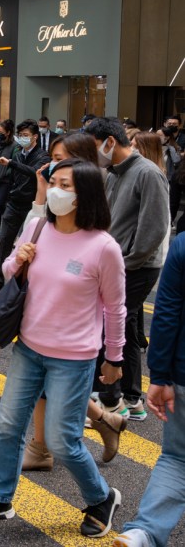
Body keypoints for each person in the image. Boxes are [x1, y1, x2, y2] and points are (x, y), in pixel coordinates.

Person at [0, 159, 126, 539]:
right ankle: (0, 499)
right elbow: (8, 269)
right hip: (29, 347)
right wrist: (17, 261)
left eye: (64, 185)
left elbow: (116, 308)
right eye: (53, 182)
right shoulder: (38, 227)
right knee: (9, 427)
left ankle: (101, 497)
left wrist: (114, 358)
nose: (54, 190)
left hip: (74, 358)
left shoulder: (104, 247)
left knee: (61, 441)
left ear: (84, 194)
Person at [83, 117, 169, 422]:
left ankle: (111, 396)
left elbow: (154, 229)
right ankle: (131, 397)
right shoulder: (112, 174)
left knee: (113, 324)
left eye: (94, 147)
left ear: (110, 141)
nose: (93, 155)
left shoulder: (148, 173)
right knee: (127, 327)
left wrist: (126, 263)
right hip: (119, 262)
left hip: (137, 266)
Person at [115, 230, 185, 547]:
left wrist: (159, 375)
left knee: (177, 459)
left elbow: (167, 312)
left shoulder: (183, 244)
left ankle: (143, 531)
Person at [0, 120, 49, 290]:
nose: (22, 138)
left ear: (35, 137)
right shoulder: (18, 153)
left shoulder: (42, 156)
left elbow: (33, 173)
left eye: (26, 135)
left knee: (28, 244)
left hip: (31, 206)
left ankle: (23, 282)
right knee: (5, 240)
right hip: (14, 203)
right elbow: (12, 178)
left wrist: (12, 163)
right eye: (20, 135)